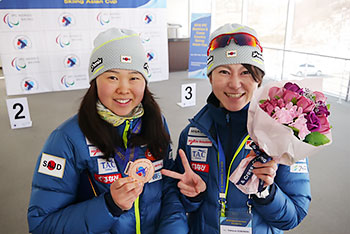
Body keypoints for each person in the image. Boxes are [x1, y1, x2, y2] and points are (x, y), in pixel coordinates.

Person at [27, 28, 188, 234]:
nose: (123, 88)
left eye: (134, 77)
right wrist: (109, 206)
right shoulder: (66, 139)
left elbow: (167, 189)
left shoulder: (156, 123)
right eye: (112, 77)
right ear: (95, 81)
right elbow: (42, 224)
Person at [162, 23, 311, 234]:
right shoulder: (192, 134)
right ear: (210, 77)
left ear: (259, 78)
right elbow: (179, 204)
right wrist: (191, 196)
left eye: (245, 72)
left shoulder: (285, 132)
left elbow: (293, 216)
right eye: (224, 71)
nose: (234, 83)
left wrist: (266, 193)